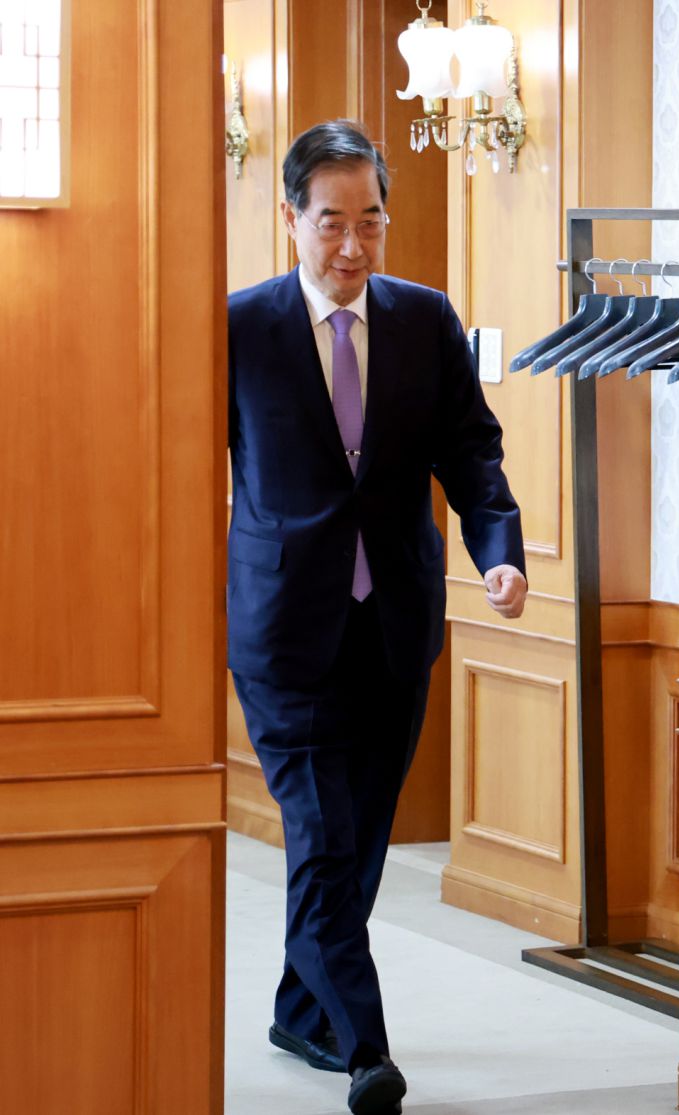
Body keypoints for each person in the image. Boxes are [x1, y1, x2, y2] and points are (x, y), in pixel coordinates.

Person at [228, 119, 527, 1115]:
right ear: (290, 218)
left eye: (371, 221)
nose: (353, 245)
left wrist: (499, 552)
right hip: (284, 631)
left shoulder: (425, 320)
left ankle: (298, 1009)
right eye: (331, 222)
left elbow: (471, 453)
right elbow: (175, 460)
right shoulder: (239, 327)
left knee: (354, 842)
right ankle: (366, 1050)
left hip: (394, 624)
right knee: (321, 836)